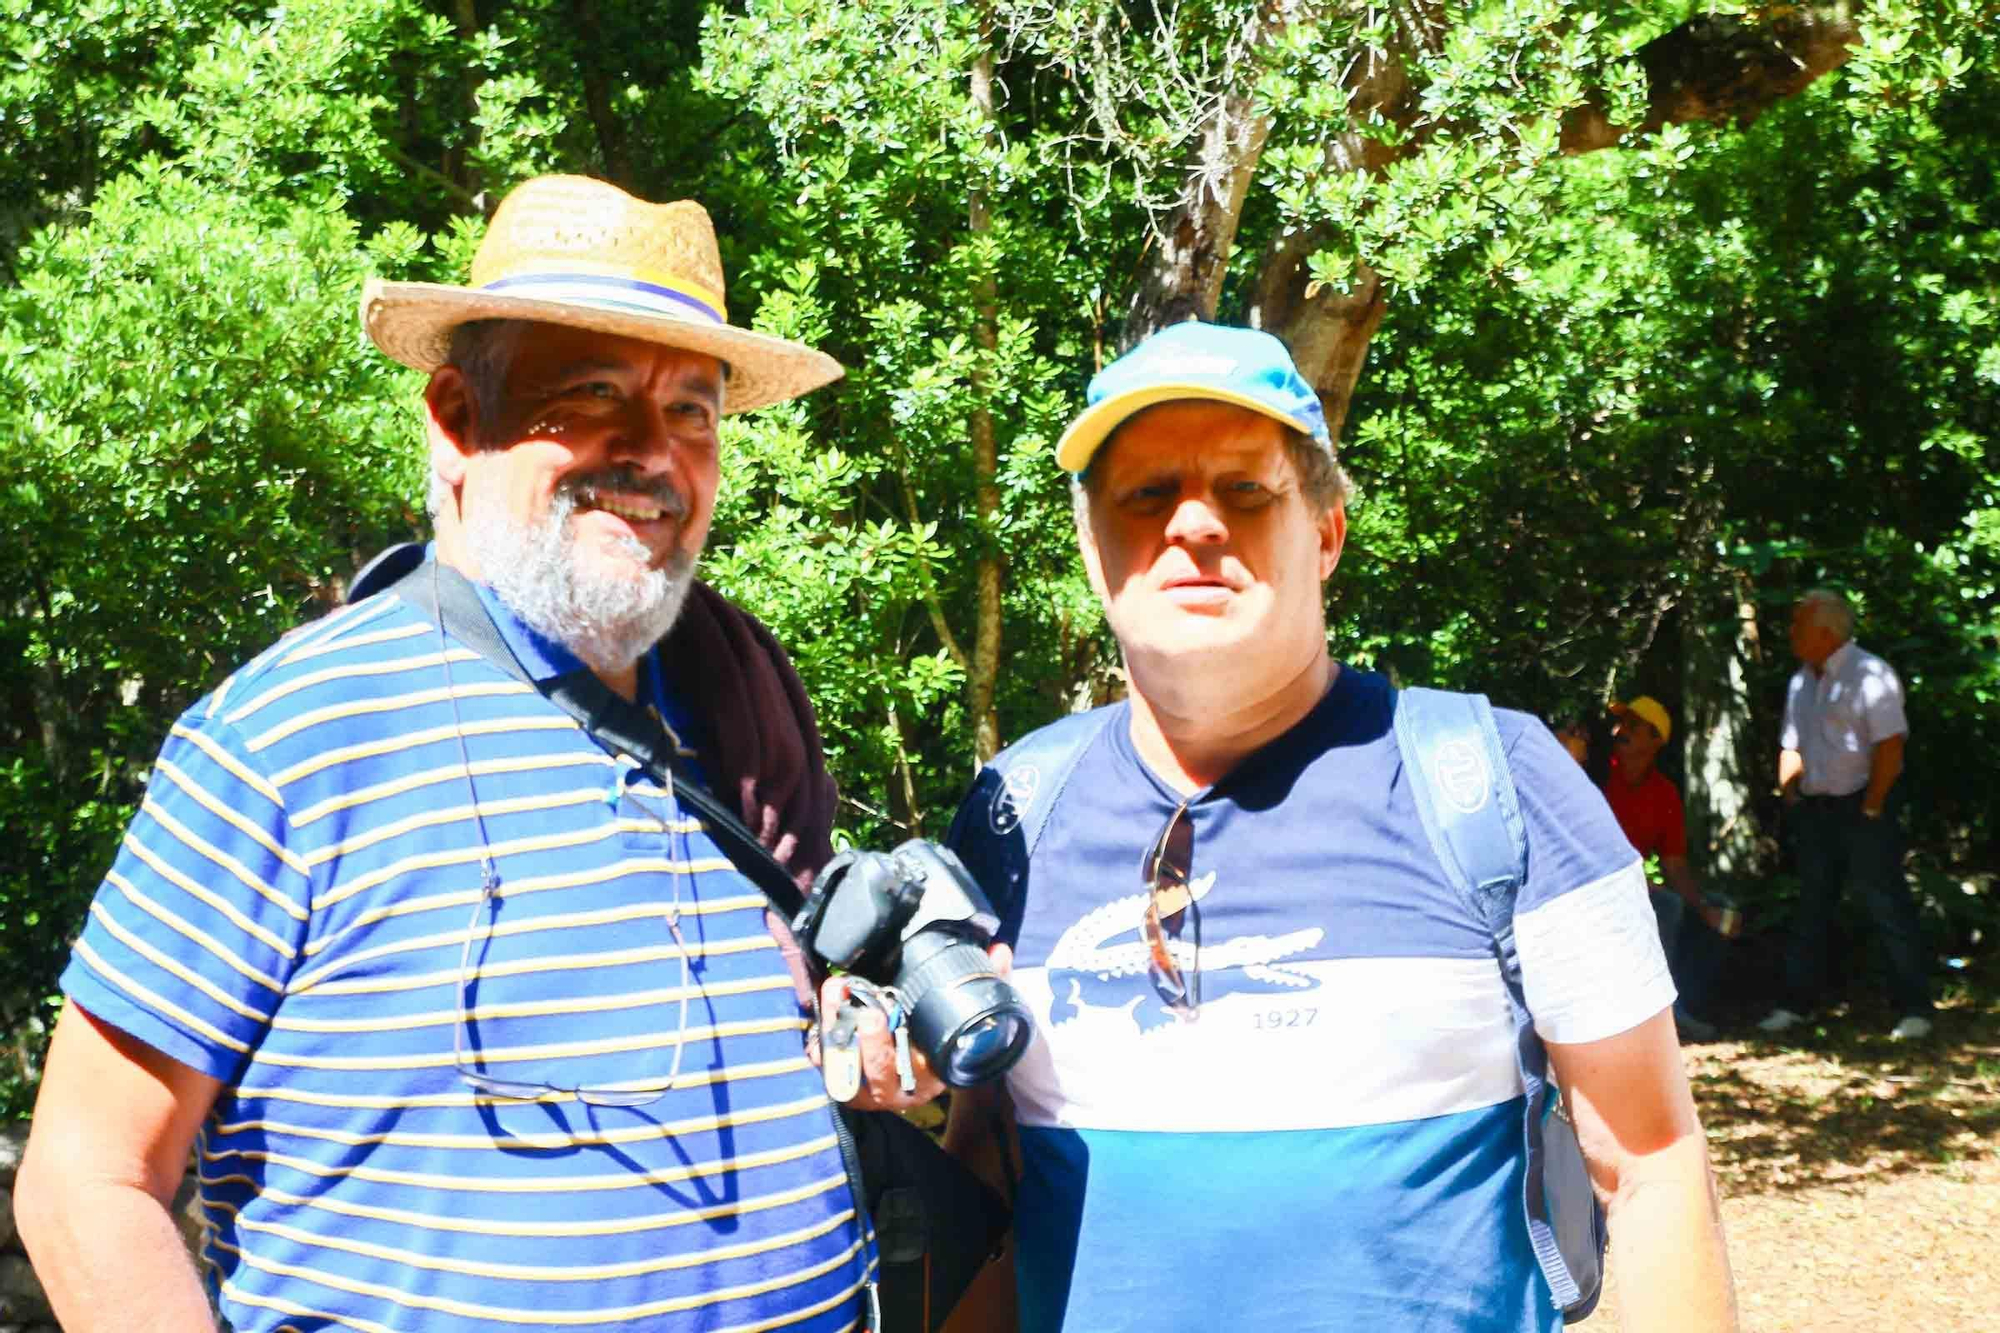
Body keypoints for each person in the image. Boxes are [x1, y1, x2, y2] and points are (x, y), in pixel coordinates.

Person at [14, 175, 927, 1332]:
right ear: (455, 417)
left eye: (692, 410)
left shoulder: (732, 710)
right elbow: (85, 1182)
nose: (654, 452)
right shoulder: (285, 742)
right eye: (593, 392)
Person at [944, 322, 1738, 1332]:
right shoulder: (1014, 811)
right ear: (1092, 548)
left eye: (1244, 490)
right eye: (1145, 494)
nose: (1192, 524)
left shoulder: (1498, 784)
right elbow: (984, 1176)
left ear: (1324, 534)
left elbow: (1651, 1161)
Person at [1757, 589, 1932, 1040]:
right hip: (1815, 810)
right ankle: (1796, 1004)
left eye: (1798, 625)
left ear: (1826, 632)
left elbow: (1890, 748)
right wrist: (1790, 795)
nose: (1790, 633)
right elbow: (1790, 745)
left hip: (1863, 804)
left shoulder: (1869, 674)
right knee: (1811, 907)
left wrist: (1872, 805)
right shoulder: (1801, 681)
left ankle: (1914, 1009)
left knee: (1885, 903)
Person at [1604, 695, 1734, 1040]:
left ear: (1655, 741)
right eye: (1622, 723)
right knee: (1666, 905)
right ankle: (1654, 1012)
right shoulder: (1596, 776)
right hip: (1595, 888)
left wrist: (1706, 909)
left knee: (1720, 910)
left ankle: (1682, 1007)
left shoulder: (1664, 793)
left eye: (1634, 725)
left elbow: (1674, 863)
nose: (1621, 730)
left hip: (1636, 887)